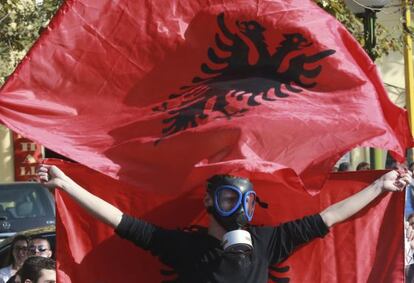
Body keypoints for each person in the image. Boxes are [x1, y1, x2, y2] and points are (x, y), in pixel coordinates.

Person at [37, 165, 411, 283]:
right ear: (209, 202)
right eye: (229, 198)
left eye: (245, 201)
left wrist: (380, 186)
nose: (237, 208)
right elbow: (123, 222)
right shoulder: (183, 246)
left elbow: (328, 217)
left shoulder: (268, 241)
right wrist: (67, 185)